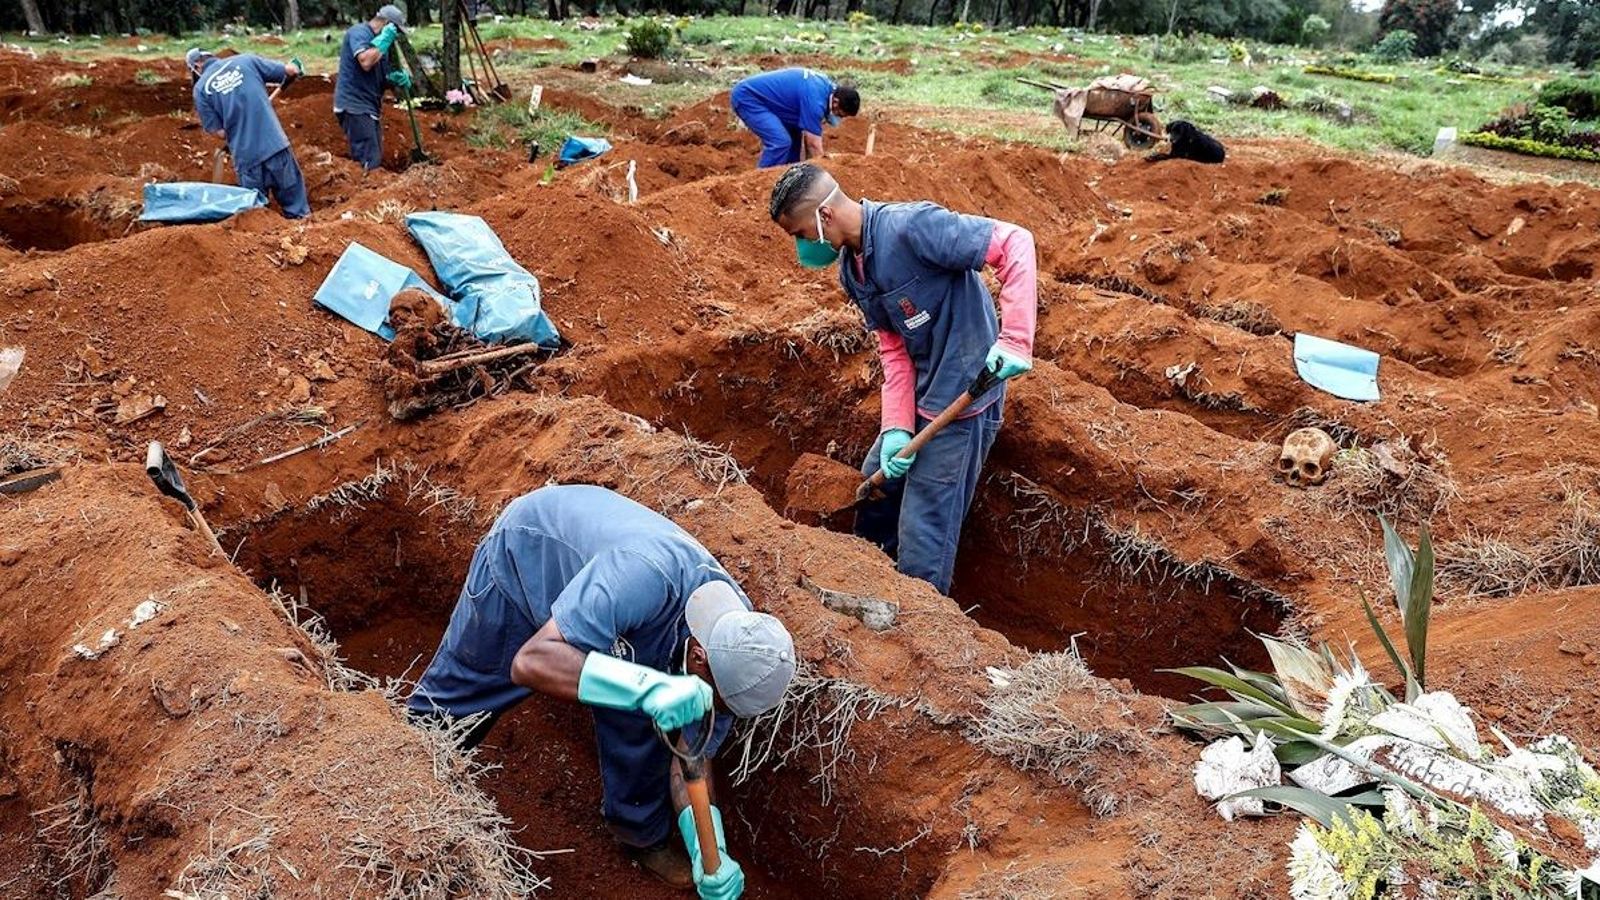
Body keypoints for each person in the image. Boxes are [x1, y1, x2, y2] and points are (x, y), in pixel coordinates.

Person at [407, 484, 796, 900]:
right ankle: (407, 787)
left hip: (620, 621)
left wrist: (709, 849)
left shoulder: (739, 644)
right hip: (527, 562)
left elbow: (690, 754)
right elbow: (531, 662)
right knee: (453, 708)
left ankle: (639, 835)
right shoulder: (642, 577)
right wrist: (647, 686)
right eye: (716, 702)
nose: (715, 713)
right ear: (700, 656)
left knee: (644, 723)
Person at [767, 162, 1037, 595]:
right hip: (920, 397)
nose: (803, 248)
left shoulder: (913, 228)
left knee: (923, 537)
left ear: (825, 216)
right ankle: (868, 588)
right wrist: (896, 428)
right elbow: (893, 350)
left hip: (964, 402)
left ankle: (920, 619)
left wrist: (1016, 339)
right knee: (873, 490)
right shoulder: (852, 270)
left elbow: (1015, 242)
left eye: (800, 235)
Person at [187, 48, 308, 219]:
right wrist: (296, 67)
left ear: (197, 65)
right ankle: (305, 235)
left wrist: (236, 125)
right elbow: (290, 70)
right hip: (275, 146)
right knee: (297, 209)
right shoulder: (246, 61)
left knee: (256, 218)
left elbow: (219, 132)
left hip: (247, 158)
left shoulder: (201, 89)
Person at [334, 4, 413, 172]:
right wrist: (384, 41)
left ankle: (369, 190)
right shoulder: (359, 33)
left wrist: (394, 79)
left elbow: (381, 77)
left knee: (374, 154)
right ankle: (368, 193)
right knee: (369, 159)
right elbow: (365, 62)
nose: (396, 37)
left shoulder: (381, 48)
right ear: (387, 25)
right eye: (396, 32)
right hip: (354, 105)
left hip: (368, 106)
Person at [730, 67, 859, 168]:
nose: (837, 118)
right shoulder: (816, 102)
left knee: (794, 141)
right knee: (780, 142)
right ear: (835, 103)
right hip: (749, 98)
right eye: (840, 114)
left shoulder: (827, 88)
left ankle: (788, 181)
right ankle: (759, 184)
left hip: (775, 102)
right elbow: (813, 145)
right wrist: (821, 174)